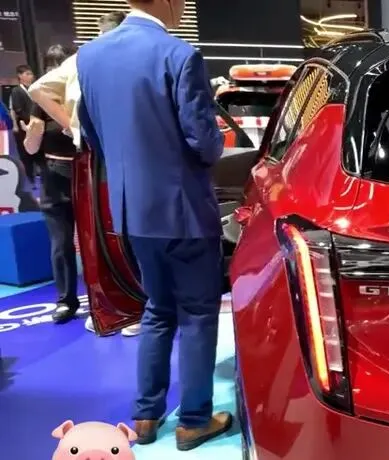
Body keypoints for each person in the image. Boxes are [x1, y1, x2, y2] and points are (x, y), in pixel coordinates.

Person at [76, 0, 231, 451]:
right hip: (184, 211)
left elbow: (91, 133)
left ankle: (145, 415)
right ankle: (195, 420)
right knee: (198, 314)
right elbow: (204, 143)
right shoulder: (180, 54)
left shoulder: (91, 55)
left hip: (131, 212)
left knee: (158, 309)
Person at [28, 10, 142, 337]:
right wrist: (74, 128)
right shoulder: (108, 60)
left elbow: (38, 89)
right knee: (109, 235)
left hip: (91, 160)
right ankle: (118, 307)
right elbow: (38, 91)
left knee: (103, 237)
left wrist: (74, 129)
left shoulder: (87, 59)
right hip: (102, 159)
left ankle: (115, 307)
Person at [21, 45, 81, 322]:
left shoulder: (84, 95)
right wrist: (33, 134)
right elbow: (31, 148)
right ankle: (66, 300)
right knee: (61, 242)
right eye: (51, 68)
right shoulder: (40, 100)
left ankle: (108, 299)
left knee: (99, 241)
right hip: (55, 176)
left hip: (88, 174)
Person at [9, 65, 39, 185]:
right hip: (24, 127)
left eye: (31, 74)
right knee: (25, 154)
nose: (30, 76)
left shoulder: (34, 89)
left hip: (35, 127)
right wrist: (31, 119)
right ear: (20, 76)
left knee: (37, 152)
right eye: (27, 74)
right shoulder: (17, 91)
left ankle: (37, 176)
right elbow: (17, 109)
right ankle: (29, 179)